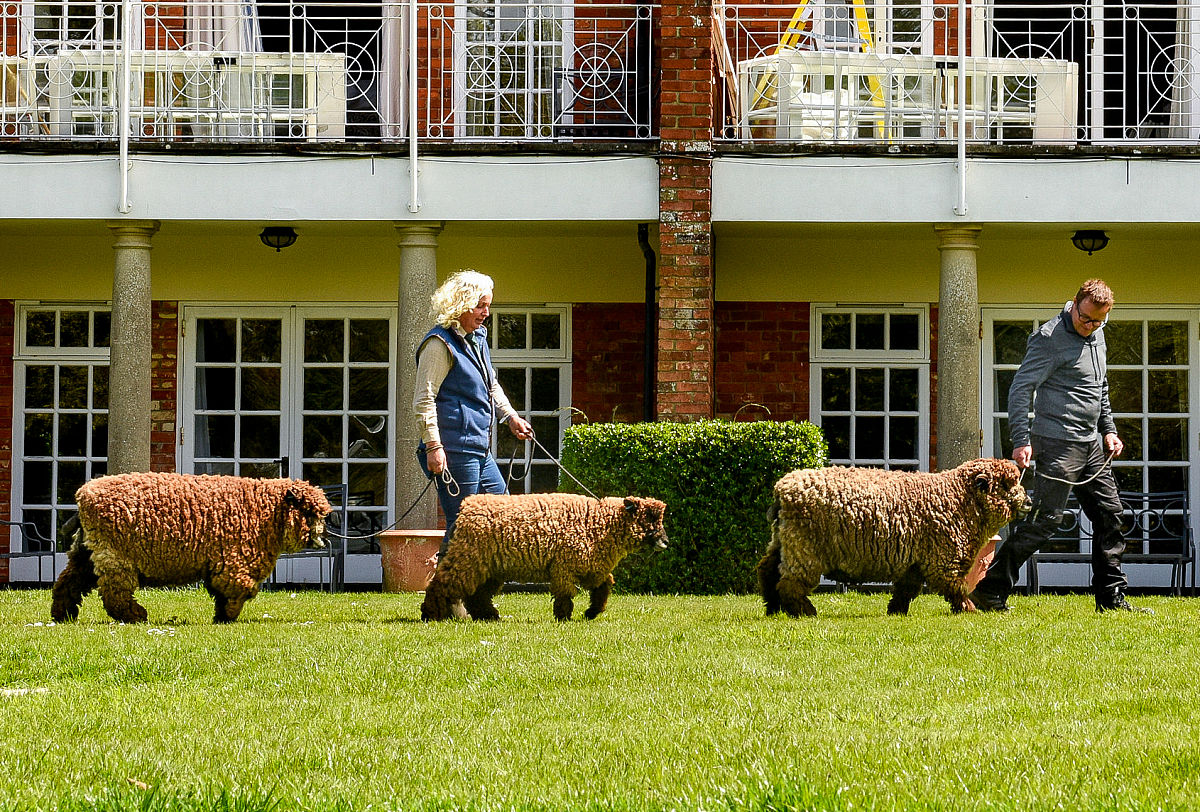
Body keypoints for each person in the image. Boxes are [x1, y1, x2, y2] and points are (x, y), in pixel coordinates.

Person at [970, 279, 1149, 614]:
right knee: (1045, 522)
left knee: (1110, 516)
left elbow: (1099, 386)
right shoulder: (1049, 338)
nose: (1091, 326)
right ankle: (989, 591)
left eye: (1099, 321)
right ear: (1074, 303)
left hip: (1091, 445)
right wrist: (1021, 439)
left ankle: (1111, 598)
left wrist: (1108, 430)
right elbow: (1020, 388)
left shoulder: (1097, 334)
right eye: (1086, 318)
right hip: (1057, 443)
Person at [413, 270, 533, 559]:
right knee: (463, 525)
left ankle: (480, 582)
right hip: (454, 449)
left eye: (487, 306)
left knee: (502, 514)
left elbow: (491, 384)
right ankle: (445, 584)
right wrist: (433, 446)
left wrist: (510, 416)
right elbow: (424, 400)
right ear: (461, 303)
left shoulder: (477, 339)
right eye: (480, 306)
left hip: (479, 449)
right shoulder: (438, 344)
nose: (486, 313)